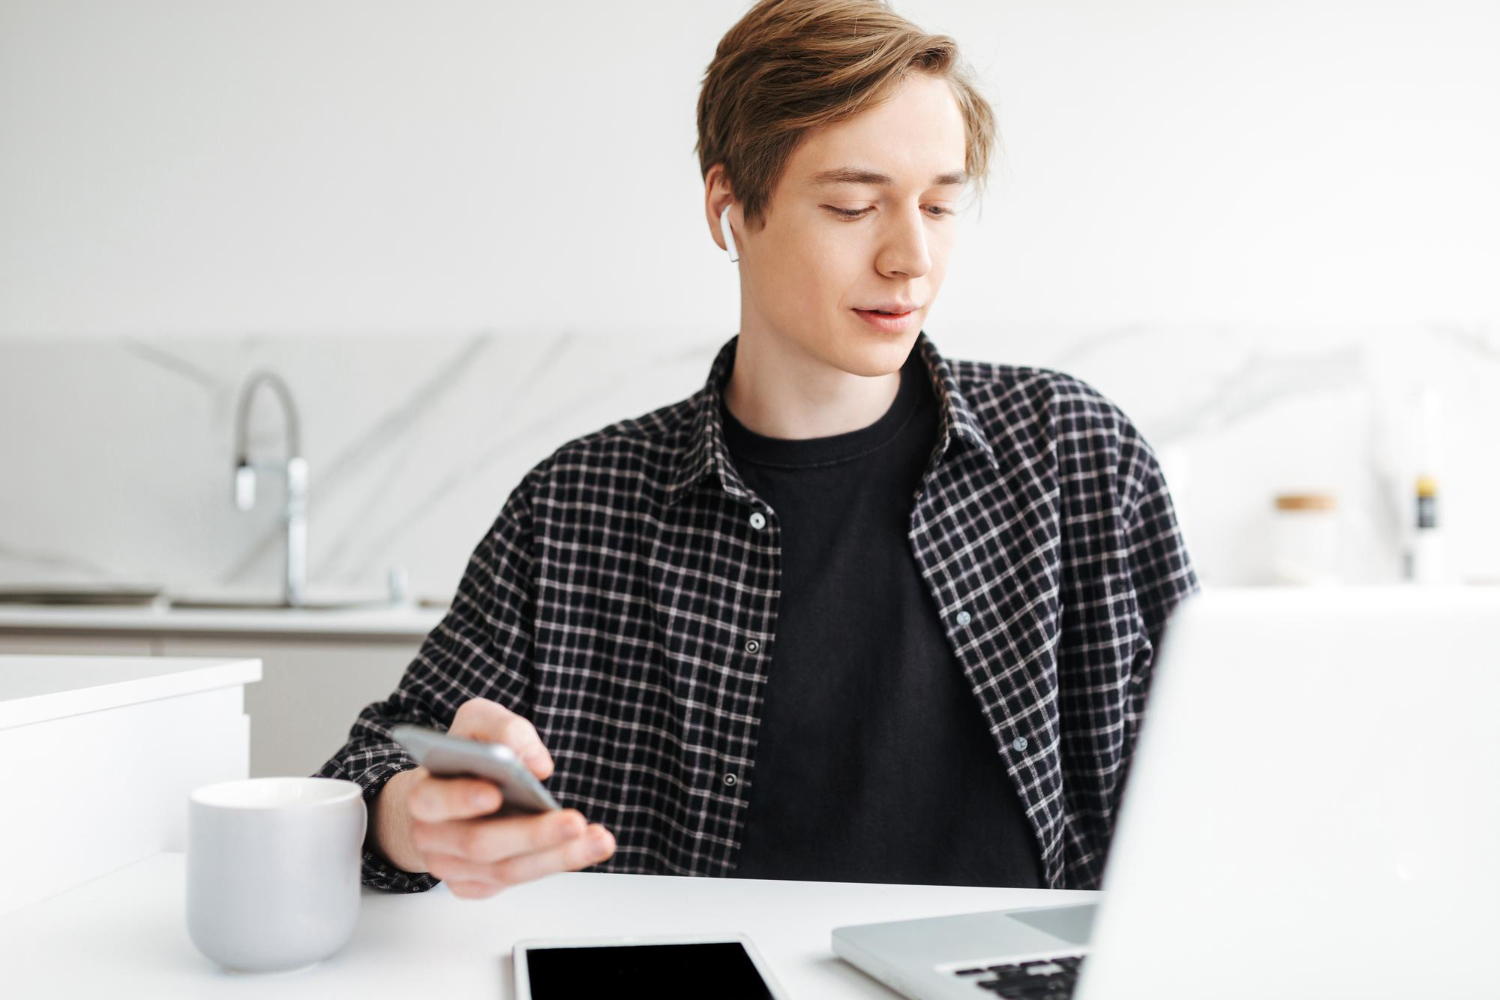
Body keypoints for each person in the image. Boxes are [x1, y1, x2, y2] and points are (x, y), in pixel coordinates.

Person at [316, 0, 1199, 900]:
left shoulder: (1076, 456)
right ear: (729, 206)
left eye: (940, 205)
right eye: (854, 206)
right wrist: (414, 815)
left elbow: (1217, 781)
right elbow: (367, 767)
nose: (912, 257)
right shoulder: (578, 507)